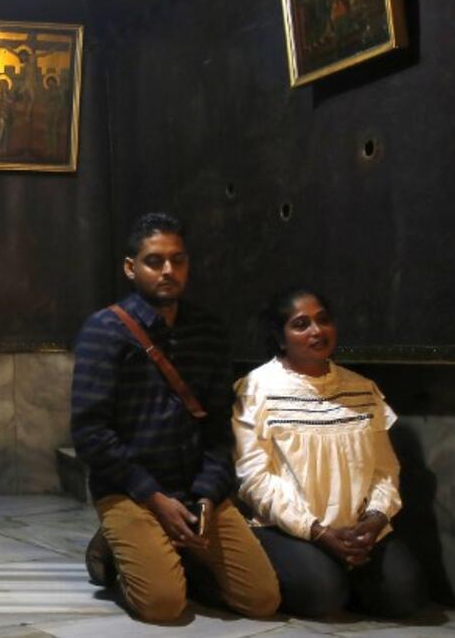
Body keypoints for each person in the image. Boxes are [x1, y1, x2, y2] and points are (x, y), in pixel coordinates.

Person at [72, 213, 279, 622]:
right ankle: (113, 550)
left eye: (178, 260)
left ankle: (177, 555)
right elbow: (90, 432)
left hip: (195, 489)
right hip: (131, 490)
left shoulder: (209, 331)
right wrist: (154, 498)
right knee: (164, 607)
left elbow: (219, 424)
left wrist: (207, 493)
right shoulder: (104, 331)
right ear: (131, 268)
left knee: (261, 600)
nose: (168, 270)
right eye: (154, 261)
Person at [234, 287, 427, 618]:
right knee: (322, 595)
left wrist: (374, 518)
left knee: (407, 596)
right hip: (289, 527)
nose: (316, 331)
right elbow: (255, 479)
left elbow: (385, 469)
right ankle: (327, 574)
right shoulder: (255, 388)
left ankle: (346, 569)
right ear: (281, 339)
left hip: (358, 529)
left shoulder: (362, 389)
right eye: (301, 324)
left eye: (323, 320)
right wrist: (317, 531)